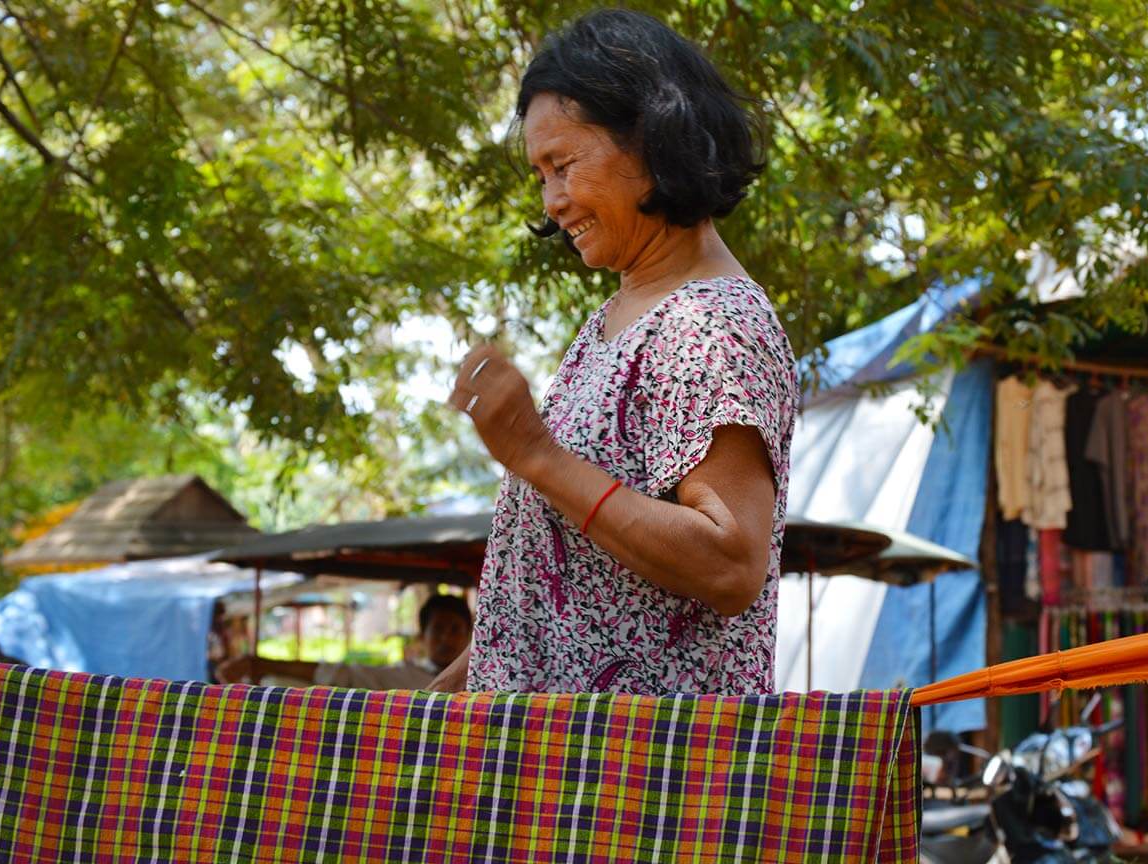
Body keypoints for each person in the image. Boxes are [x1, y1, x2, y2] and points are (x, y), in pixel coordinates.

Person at [436, 9, 798, 696]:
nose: (553, 202)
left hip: (642, 784)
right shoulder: (612, 323)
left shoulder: (713, 321)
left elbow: (729, 565)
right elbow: (541, 600)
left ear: (652, 139)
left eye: (564, 166)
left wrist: (538, 456)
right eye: (541, 176)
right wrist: (430, 708)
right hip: (560, 772)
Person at [215, 593, 472, 690]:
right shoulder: (399, 677)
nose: (446, 638)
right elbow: (339, 674)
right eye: (438, 629)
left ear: (470, 635)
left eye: (455, 629)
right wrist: (259, 664)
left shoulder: (484, 681)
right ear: (421, 636)